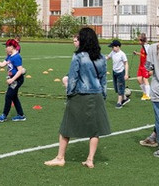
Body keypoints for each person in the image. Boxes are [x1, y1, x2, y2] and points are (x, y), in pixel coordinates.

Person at [44, 27, 110, 168]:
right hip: (97, 95)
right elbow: (103, 80)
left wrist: (69, 93)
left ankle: (60, 157)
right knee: (94, 129)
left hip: (80, 95)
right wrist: (103, 95)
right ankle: (90, 160)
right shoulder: (102, 57)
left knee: (66, 127)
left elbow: (73, 78)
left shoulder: (78, 56)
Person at [0, 39, 26, 122]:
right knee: (14, 97)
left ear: (12, 47)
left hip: (17, 80)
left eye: (7, 46)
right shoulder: (9, 56)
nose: (5, 48)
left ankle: (4, 116)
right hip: (13, 80)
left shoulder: (17, 57)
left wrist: (12, 79)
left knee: (8, 96)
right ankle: (21, 115)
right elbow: (2, 65)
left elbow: (20, 70)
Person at [106, 39, 129, 108]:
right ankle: (125, 98)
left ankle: (119, 102)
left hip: (121, 72)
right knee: (116, 87)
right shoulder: (113, 52)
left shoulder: (122, 54)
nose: (112, 48)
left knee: (120, 87)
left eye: (113, 47)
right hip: (114, 72)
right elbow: (108, 57)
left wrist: (126, 74)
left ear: (118, 46)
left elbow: (126, 64)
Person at [133, 33, 151, 101]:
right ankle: (145, 92)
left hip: (146, 66)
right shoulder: (143, 47)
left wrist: (150, 68)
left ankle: (148, 95)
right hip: (141, 66)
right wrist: (137, 53)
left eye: (139, 41)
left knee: (145, 80)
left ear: (142, 41)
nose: (138, 42)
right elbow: (143, 54)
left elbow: (150, 56)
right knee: (139, 79)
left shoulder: (147, 47)